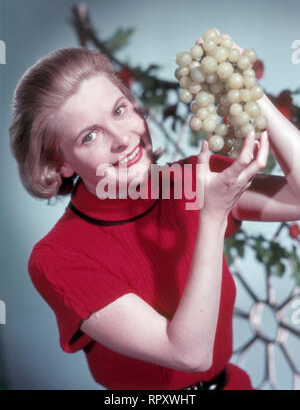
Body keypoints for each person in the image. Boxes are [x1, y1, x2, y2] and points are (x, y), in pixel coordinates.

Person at [9, 41, 300, 390]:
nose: (122, 139)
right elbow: (188, 354)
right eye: (90, 136)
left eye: (119, 111)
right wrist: (212, 217)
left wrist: (250, 93)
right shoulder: (57, 257)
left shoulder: (186, 182)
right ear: (61, 163)